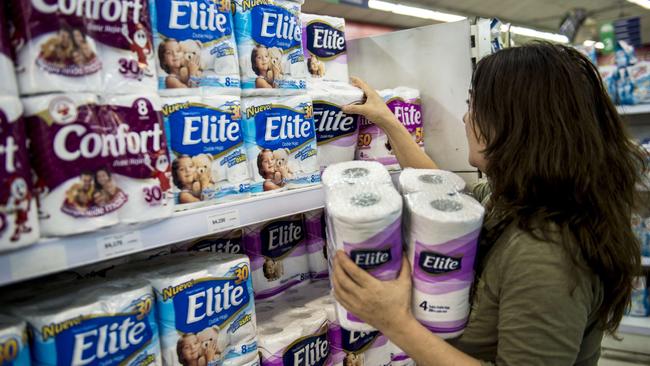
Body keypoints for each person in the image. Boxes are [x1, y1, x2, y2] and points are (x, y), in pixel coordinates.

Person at [334, 42, 645, 366]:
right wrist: (389, 121)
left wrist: (394, 322)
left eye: (475, 106)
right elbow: (441, 194)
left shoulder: (546, 256)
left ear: (517, 125)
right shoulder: (520, 201)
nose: (466, 118)